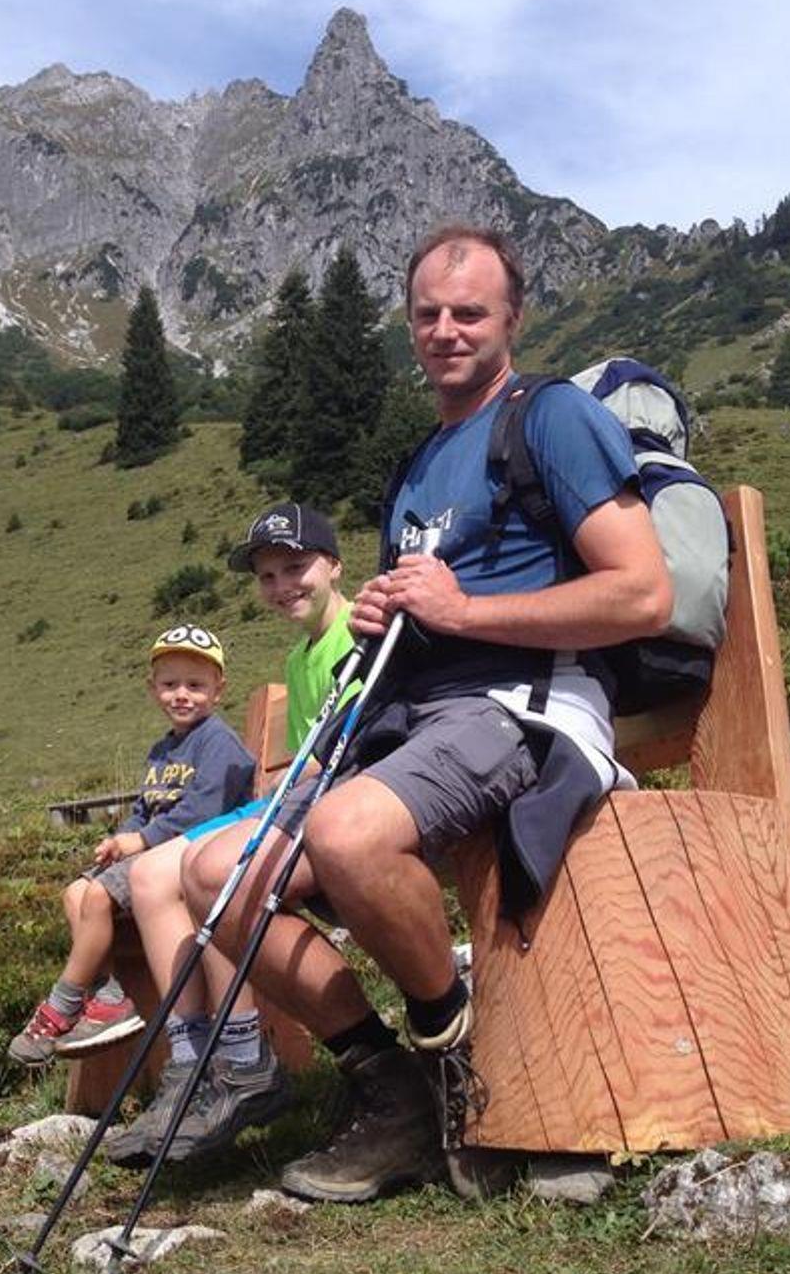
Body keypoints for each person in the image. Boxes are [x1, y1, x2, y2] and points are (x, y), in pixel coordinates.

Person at [181, 223, 672, 1202]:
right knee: (215, 878)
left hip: (523, 702)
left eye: (469, 313)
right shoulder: (415, 463)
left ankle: (457, 1059)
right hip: (418, 713)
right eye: (427, 314)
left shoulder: (553, 418)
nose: (446, 330)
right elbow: (431, 601)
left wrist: (461, 612)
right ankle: (392, 1092)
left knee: (348, 833)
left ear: (512, 318)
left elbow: (642, 593)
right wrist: (385, 615)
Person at [103, 502, 356, 1165]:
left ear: (334, 565)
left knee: (207, 867)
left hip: (344, 807)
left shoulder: (359, 634)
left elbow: (341, 758)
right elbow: (304, 763)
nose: (281, 586)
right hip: (299, 800)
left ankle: (242, 1056)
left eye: (295, 568)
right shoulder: (301, 658)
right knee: (150, 873)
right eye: (267, 575)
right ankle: (192, 1059)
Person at [7, 624, 255, 1065]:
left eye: (195, 685)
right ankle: (108, 994)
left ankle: (62, 1004)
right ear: (153, 688)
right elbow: (145, 808)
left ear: (218, 690)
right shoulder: (161, 751)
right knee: (76, 892)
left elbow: (203, 810)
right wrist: (121, 839)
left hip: (193, 853)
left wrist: (141, 840)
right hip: (154, 852)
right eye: (170, 684)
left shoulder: (219, 742)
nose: (182, 695)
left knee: (98, 895)